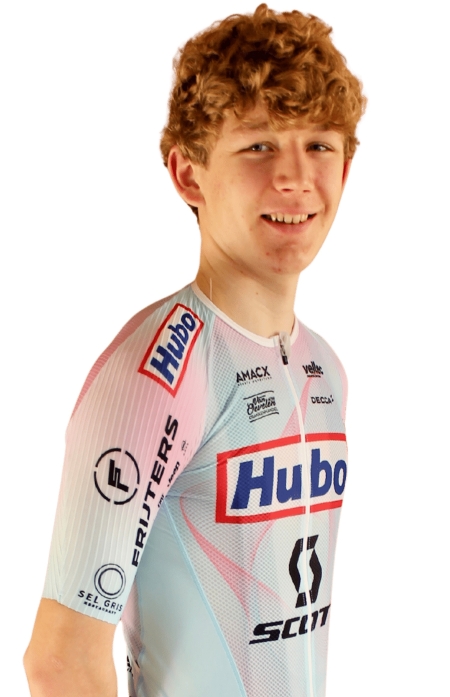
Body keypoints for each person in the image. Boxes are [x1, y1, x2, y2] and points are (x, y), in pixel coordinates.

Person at [24, 5, 366, 696]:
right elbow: (60, 660)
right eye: (259, 145)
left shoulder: (324, 366)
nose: (296, 177)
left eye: (319, 145)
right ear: (188, 175)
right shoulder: (158, 373)